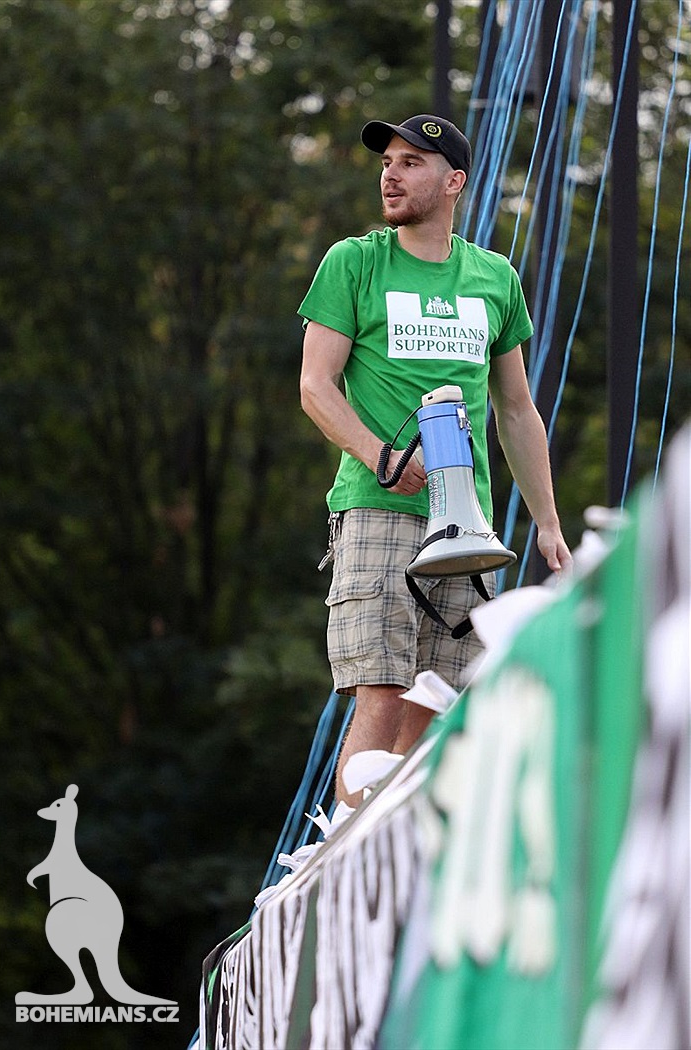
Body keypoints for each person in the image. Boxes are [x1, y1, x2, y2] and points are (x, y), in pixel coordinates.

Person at [298, 114, 571, 806]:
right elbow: (315, 387)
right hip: (377, 506)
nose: (391, 173)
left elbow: (516, 410)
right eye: (388, 161)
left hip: (467, 524)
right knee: (384, 689)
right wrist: (381, 455)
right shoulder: (354, 262)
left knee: (442, 703)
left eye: (412, 162)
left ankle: (406, 878)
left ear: (454, 182)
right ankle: (340, 877)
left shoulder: (494, 277)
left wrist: (546, 522)